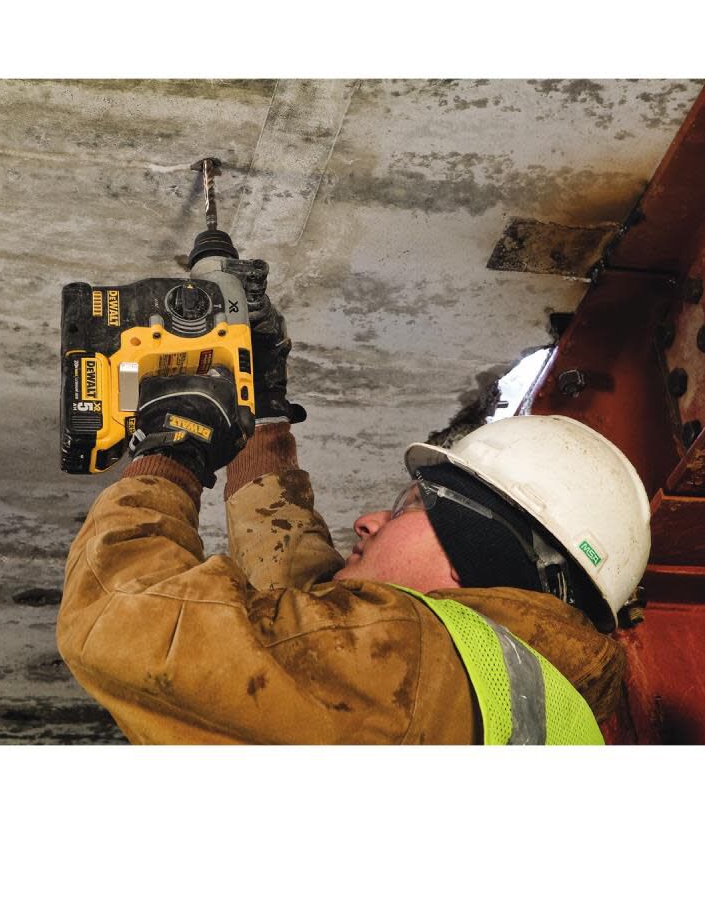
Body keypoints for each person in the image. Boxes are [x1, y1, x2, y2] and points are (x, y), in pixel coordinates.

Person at [57, 301, 651, 744]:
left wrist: (173, 449)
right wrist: (258, 418)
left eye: (411, 506)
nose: (367, 521)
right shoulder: (518, 701)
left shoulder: (417, 665)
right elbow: (302, 625)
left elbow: (121, 617)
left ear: (476, 556)